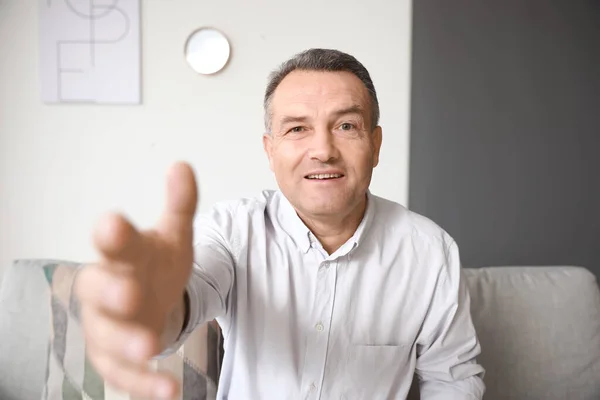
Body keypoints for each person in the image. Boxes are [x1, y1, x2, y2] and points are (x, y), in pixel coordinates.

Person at [76, 48, 485, 399]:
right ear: (270, 152)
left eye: (346, 126)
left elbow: (453, 379)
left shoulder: (429, 250)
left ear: (375, 146)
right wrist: (150, 305)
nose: (323, 150)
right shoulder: (233, 231)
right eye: (297, 129)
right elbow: (186, 294)